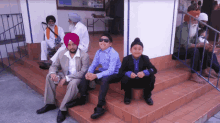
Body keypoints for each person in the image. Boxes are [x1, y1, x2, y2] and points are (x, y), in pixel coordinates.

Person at [36, 33, 90, 123]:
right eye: (69, 45)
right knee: (49, 76)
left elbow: (83, 72)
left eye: (73, 44)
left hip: (77, 78)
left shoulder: (84, 55)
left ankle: (63, 109)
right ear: (66, 45)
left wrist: (67, 78)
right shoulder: (62, 53)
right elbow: (54, 65)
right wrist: (53, 73)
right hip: (65, 76)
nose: (71, 47)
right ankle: (50, 103)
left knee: (73, 83)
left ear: (77, 44)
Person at [70, 32, 122, 119]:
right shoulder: (98, 52)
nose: (103, 42)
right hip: (104, 71)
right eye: (101, 40)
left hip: (115, 74)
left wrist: (96, 76)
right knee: (86, 72)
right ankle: (82, 97)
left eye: (106, 40)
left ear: (110, 44)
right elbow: (94, 65)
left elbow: (111, 70)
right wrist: (89, 73)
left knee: (105, 79)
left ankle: (100, 106)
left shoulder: (114, 53)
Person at [173, 10, 209, 83]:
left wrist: (204, 45)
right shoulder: (182, 28)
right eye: (194, 19)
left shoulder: (193, 27)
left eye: (197, 19)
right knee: (195, 51)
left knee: (203, 48)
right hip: (178, 52)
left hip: (186, 49)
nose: (196, 21)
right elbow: (186, 45)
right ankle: (193, 74)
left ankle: (204, 70)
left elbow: (196, 40)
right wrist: (199, 45)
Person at [119, 38, 157, 105]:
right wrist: (129, 73)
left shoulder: (145, 58)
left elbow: (154, 69)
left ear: (142, 50)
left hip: (141, 81)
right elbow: (121, 71)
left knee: (152, 76)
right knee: (124, 77)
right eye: (135, 48)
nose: (137, 51)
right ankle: (127, 95)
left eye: (139, 49)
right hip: (131, 81)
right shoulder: (126, 59)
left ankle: (147, 96)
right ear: (131, 50)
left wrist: (144, 73)